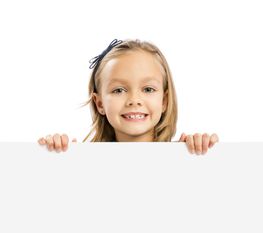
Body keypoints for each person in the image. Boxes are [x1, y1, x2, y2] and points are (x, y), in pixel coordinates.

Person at [38, 39, 219, 154]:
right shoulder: (81, 158)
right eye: (118, 90)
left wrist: (201, 151)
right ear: (99, 103)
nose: (134, 100)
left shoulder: (185, 153)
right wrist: (53, 154)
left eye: (148, 89)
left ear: (164, 101)